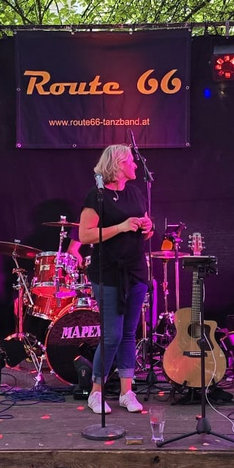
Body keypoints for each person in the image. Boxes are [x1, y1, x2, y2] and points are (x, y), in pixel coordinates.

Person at [78, 144, 153, 414]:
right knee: (112, 335)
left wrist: (147, 227)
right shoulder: (96, 196)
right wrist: (121, 227)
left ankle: (126, 392)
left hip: (135, 270)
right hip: (108, 272)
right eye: (130, 161)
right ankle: (96, 392)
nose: (135, 165)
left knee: (130, 333)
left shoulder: (135, 192)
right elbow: (85, 235)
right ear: (118, 165)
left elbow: (144, 229)